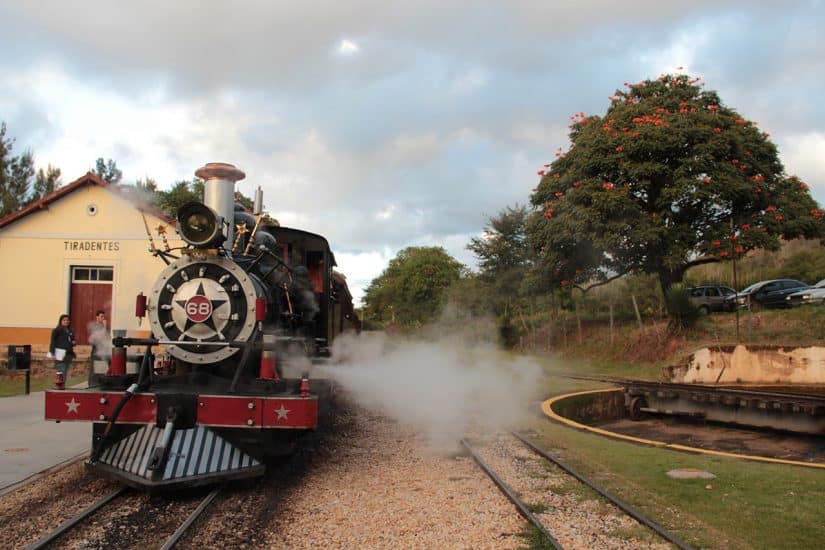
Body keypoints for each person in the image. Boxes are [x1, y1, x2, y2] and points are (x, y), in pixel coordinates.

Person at [49, 314, 76, 381]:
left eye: (67, 320)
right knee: (61, 370)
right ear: (60, 321)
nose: (66, 321)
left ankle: (63, 385)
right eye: (64, 320)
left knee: (65, 371)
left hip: (68, 354)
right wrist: (52, 353)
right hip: (60, 354)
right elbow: (53, 342)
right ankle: (59, 386)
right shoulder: (57, 330)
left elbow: (71, 341)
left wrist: (73, 343)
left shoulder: (70, 331)